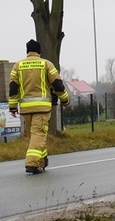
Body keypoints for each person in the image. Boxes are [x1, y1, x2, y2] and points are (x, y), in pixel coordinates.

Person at [8, 39, 70, 175]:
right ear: (39, 52)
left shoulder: (18, 66)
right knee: (39, 134)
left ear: (27, 52)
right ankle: (31, 163)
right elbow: (58, 85)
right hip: (42, 107)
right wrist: (65, 100)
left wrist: (12, 107)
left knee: (34, 135)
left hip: (26, 108)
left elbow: (13, 88)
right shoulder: (46, 64)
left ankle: (41, 161)